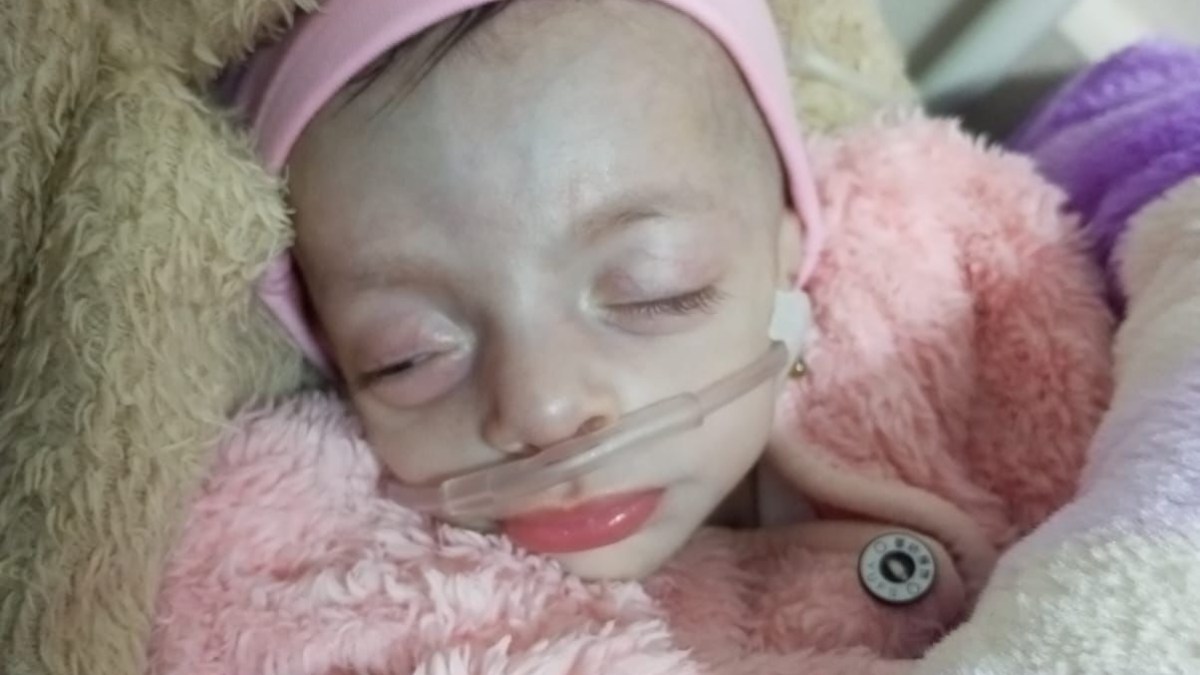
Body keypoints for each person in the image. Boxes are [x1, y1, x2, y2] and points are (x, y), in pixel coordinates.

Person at [228, 0, 826, 580]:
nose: (543, 412)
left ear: (784, 255)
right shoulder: (303, 578)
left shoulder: (883, 394)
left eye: (650, 291)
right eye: (408, 354)